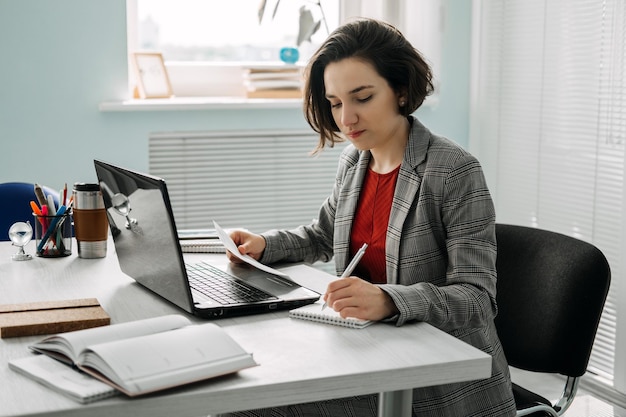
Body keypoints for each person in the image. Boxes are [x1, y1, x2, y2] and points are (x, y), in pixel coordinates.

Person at [223, 18, 516, 417]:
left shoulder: (454, 171)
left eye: (362, 98)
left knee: (252, 407)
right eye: (336, 103)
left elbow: (477, 299)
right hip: (369, 351)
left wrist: (389, 301)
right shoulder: (355, 160)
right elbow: (323, 235)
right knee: (245, 390)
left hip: (438, 379)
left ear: (400, 90)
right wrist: (264, 245)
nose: (346, 120)